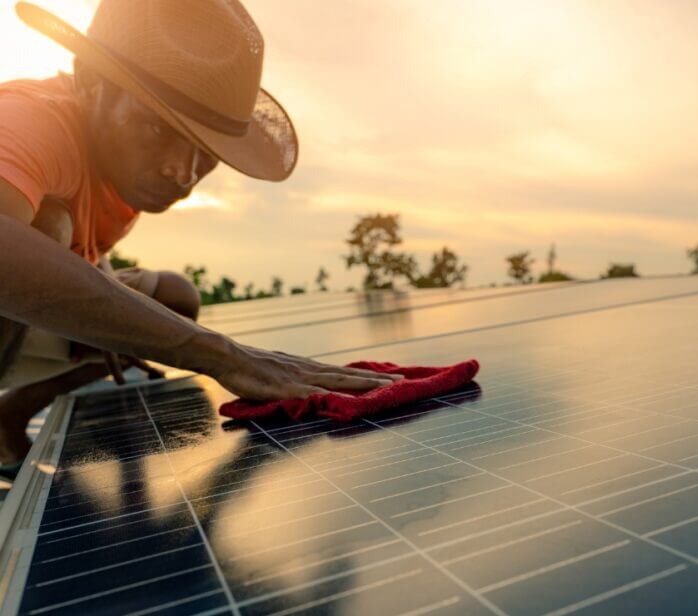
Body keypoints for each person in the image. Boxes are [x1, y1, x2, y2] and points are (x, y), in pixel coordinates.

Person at [0, 0, 401, 468]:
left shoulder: (119, 165)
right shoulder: (31, 119)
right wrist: (223, 355)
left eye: (205, 151)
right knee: (46, 230)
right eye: (155, 126)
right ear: (90, 80)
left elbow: (88, 256)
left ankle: (9, 415)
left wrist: (123, 311)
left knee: (169, 302)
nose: (183, 173)